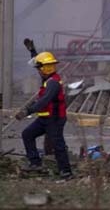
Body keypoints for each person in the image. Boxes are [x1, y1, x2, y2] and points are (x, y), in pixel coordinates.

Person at [15, 51, 72, 179]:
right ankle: (35, 163)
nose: (38, 71)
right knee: (27, 134)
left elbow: (44, 101)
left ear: (44, 69)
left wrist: (27, 111)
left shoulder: (53, 83)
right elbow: (40, 64)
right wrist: (33, 52)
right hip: (45, 118)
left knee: (58, 144)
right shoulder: (48, 78)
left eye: (39, 69)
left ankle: (66, 172)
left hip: (55, 119)